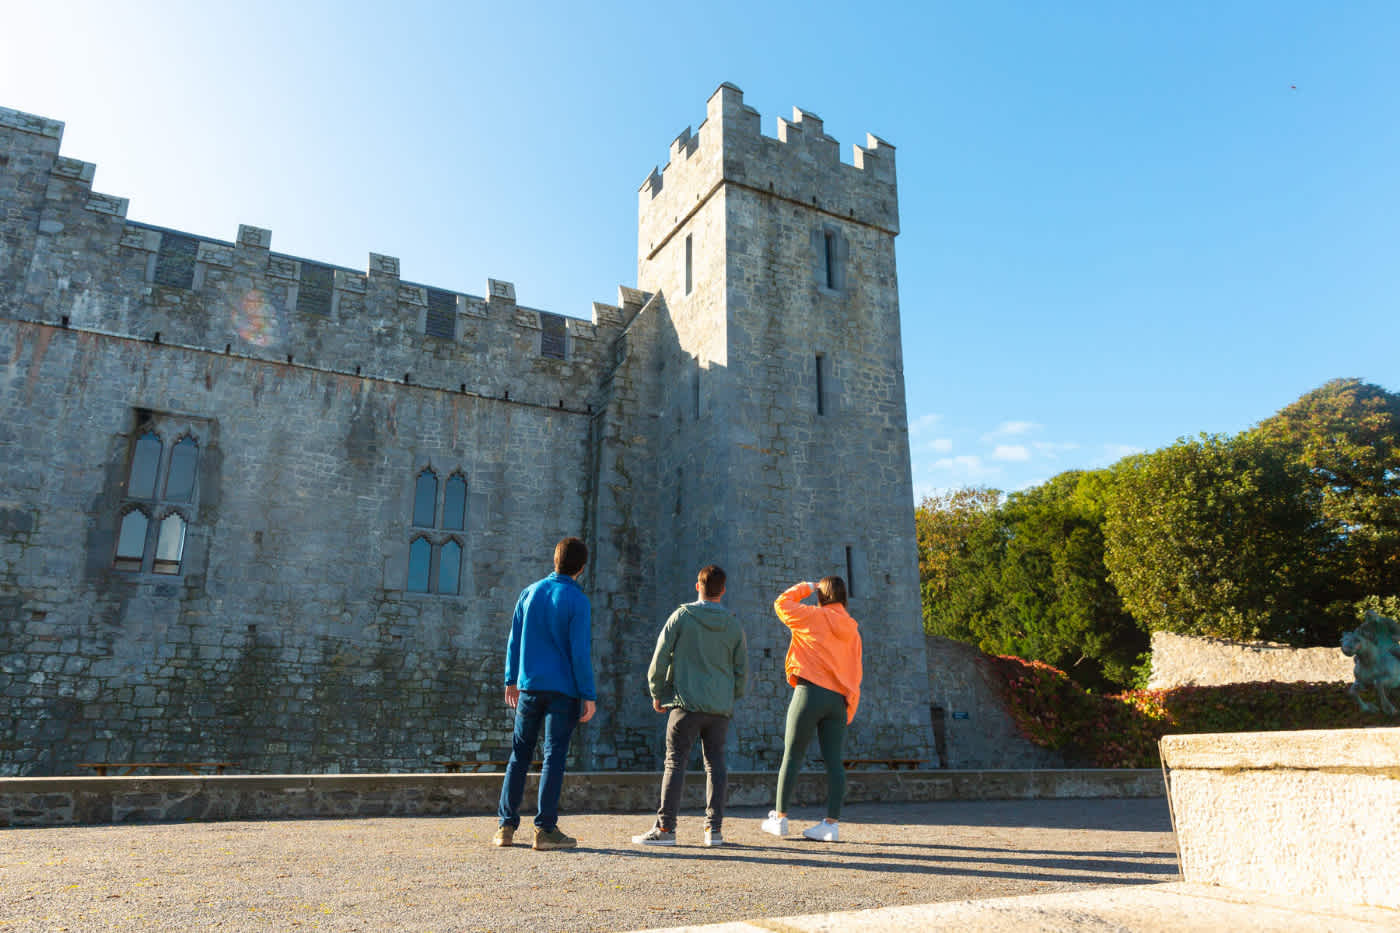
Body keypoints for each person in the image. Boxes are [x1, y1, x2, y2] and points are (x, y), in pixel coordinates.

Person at [632, 564, 748, 848]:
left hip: (686, 703)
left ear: (698, 586)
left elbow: (660, 657)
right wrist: (730, 697)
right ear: (723, 590)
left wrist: (657, 692)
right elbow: (741, 670)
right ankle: (713, 831)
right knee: (716, 763)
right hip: (719, 708)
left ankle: (666, 828)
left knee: (675, 762)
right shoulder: (733, 624)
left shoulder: (682, 617)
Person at [493, 536, 597, 851]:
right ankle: (545, 829)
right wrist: (588, 694)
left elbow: (514, 638)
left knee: (519, 755)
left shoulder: (530, 592)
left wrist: (511, 678)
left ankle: (505, 827)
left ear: (555, 560)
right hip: (563, 690)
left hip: (529, 686)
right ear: (582, 567)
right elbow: (580, 652)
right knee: (554, 756)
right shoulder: (578, 601)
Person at [760, 577, 863, 843]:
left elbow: (781, 603)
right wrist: (849, 707)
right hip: (838, 701)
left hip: (809, 693)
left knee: (793, 754)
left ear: (822, 595)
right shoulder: (852, 629)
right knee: (834, 762)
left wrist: (807, 586)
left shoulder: (812, 616)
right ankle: (831, 825)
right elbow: (856, 671)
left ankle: (780, 818)